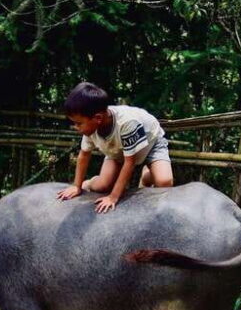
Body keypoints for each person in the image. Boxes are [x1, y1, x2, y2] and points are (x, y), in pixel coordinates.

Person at [56, 82, 174, 213]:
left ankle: (147, 176)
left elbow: (130, 163)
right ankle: (89, 183)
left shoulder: (127, 123)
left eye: (78, 124)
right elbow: (84, 155)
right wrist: (77, 186)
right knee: (103, 185)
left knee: (164, 182)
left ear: (98, 118)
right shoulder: (91, 126)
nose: (76, 128)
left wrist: (113, 197)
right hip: (118, 149)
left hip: (151, 143)